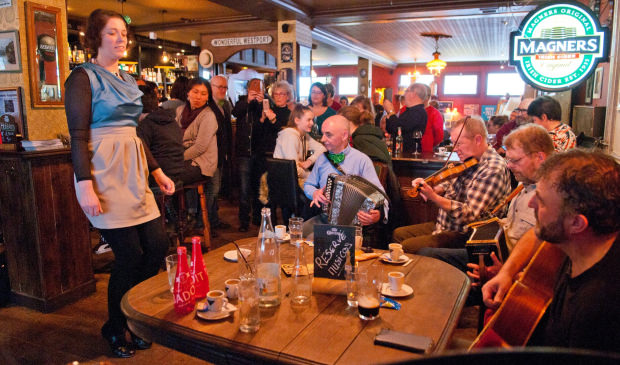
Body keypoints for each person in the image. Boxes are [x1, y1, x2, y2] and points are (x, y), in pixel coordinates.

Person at [64, 9, 174, 358]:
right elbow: (78, 136)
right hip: (103, 172)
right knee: (129, 255)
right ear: (96, 37)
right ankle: (116, 326)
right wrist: (84, 184)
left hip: (134, 171)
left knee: (156, 246)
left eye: (123, 33)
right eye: (112, 33)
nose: (121, 38)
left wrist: (157, 171)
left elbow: (136, 133)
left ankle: (134, 319)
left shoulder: (128, 80)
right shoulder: (82, 77)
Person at [486, 150, 620, 352]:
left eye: (540, 200)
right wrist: (507, 272)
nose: (530, 203)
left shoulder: (598, 309)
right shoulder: (581, 239)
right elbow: (537, 233)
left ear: (576, 223)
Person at [417, 124, 554, 274]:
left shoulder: (553, 198)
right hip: (497, 255)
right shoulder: (525, 183)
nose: (509, 166)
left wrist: (505, 273)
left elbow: (545, 264)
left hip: (508, 267)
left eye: (515, 160)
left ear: (539, 157)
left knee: (425, 255)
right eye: (508, 160)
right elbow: (510, 226)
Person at [392, 116, 511, 253]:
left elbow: (471, 215)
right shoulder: (471, 159)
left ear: (478, 139)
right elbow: (450, 183)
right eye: (454, 144)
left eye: (459, 144)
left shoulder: (492, 168)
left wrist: (434, 197)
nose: (455, 149)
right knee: (398, 234)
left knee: (409, 246)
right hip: (445, 226)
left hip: (464, 234)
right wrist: (434, 189)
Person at [303, 115, 387, 239]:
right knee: (295, 235)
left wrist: (378, 215)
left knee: (312, 239)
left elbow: (380, 195)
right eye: (322, 134)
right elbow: (308, 185)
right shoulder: (322, 158)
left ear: (344, 136)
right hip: (324, 217)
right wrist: (314, 193)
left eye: (328, 135)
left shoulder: (361, 160)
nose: (322, 139)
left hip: (351, 224)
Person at [175, 78, 219, 230]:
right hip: (185, 159)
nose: (198, 97)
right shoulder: (180, 111)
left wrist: (177, 158)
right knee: (163, 177)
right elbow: (174, 136)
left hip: (202, 163)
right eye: (195, 92)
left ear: (208, 97)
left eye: (203, 93)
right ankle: (180, 218)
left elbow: (200, 147)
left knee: (172, 179)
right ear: (188, 93)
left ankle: (184, 219)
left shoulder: (208, 116)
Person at [273, 104, 326, 223]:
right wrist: (312, 177)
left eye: (312, 120)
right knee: (315, 198)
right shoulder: (290, 135)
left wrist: (309, 161)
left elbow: (322, 149)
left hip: (294, 181)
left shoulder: (304, 136)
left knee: (318, 193)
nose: (312, 123)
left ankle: (308, 228)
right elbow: (294, 169)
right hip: (284, 183)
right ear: (297, 120)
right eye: (308, 120)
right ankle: (303, 229)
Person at [205, 75, 233, 233]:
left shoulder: (223, 104)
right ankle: (205, 223)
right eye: (219, 87)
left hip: (221, 155)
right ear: (211, 88)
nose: (222, 90)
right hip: (211, 156)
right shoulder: (207, 106)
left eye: (225, 87)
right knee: (213, 189)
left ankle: (213, 221)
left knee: (216, 189)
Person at [383, 83, 428, 153]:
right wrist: (389, 114)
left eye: (406, 91)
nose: (404, 94)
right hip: (400, 152)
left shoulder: (418, 112)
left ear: (413, 94)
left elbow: (398, 128)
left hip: (409, 154)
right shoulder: (408, 111)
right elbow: (391, 129)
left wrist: (391, 111)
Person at [421, 84, 444, 153]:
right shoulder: (406, 109)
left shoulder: (435, 113)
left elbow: (439, 136)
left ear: (428, 97)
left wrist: (429, 144)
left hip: (426, 152)